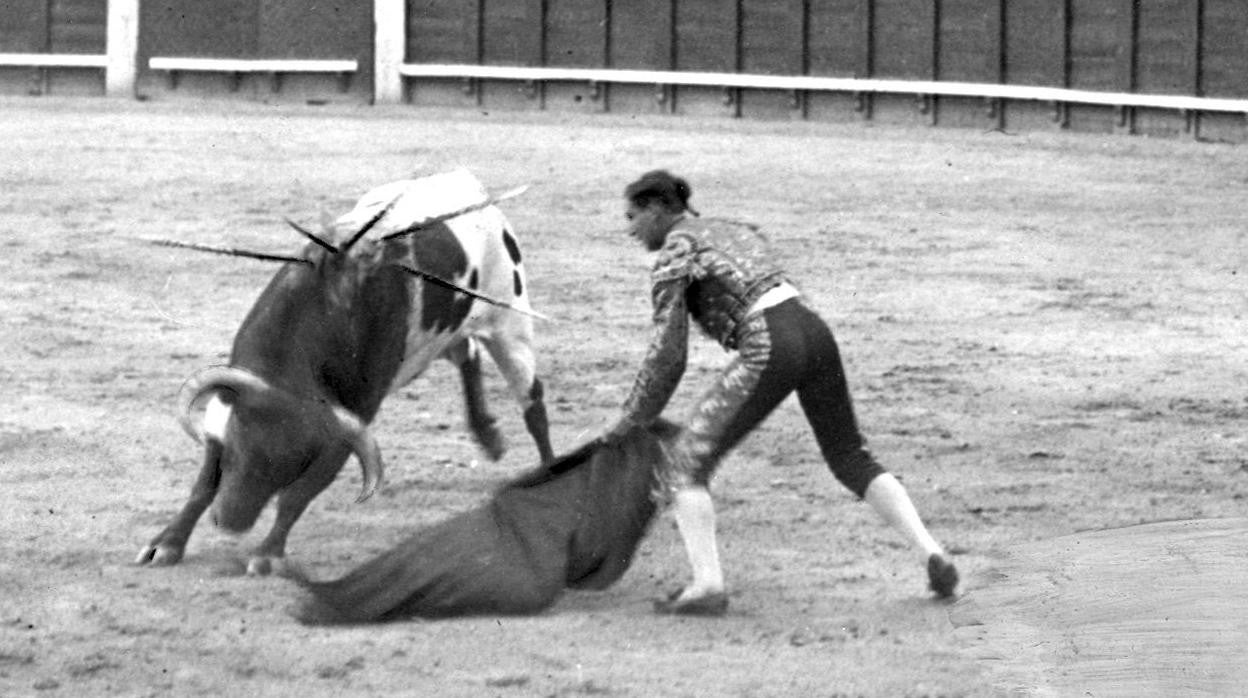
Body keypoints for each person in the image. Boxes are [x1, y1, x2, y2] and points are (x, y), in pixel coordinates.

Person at [605, 170, 958, 615]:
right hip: (813, 330)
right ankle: (932, 553)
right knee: (850, 455)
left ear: (657, 210)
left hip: (770, 342)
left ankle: (706, 585)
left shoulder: (676, 251)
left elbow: (668, 356)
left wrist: (632, 417)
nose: (630, 229)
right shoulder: (732, 228)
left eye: (633, 216)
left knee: (683, 461)